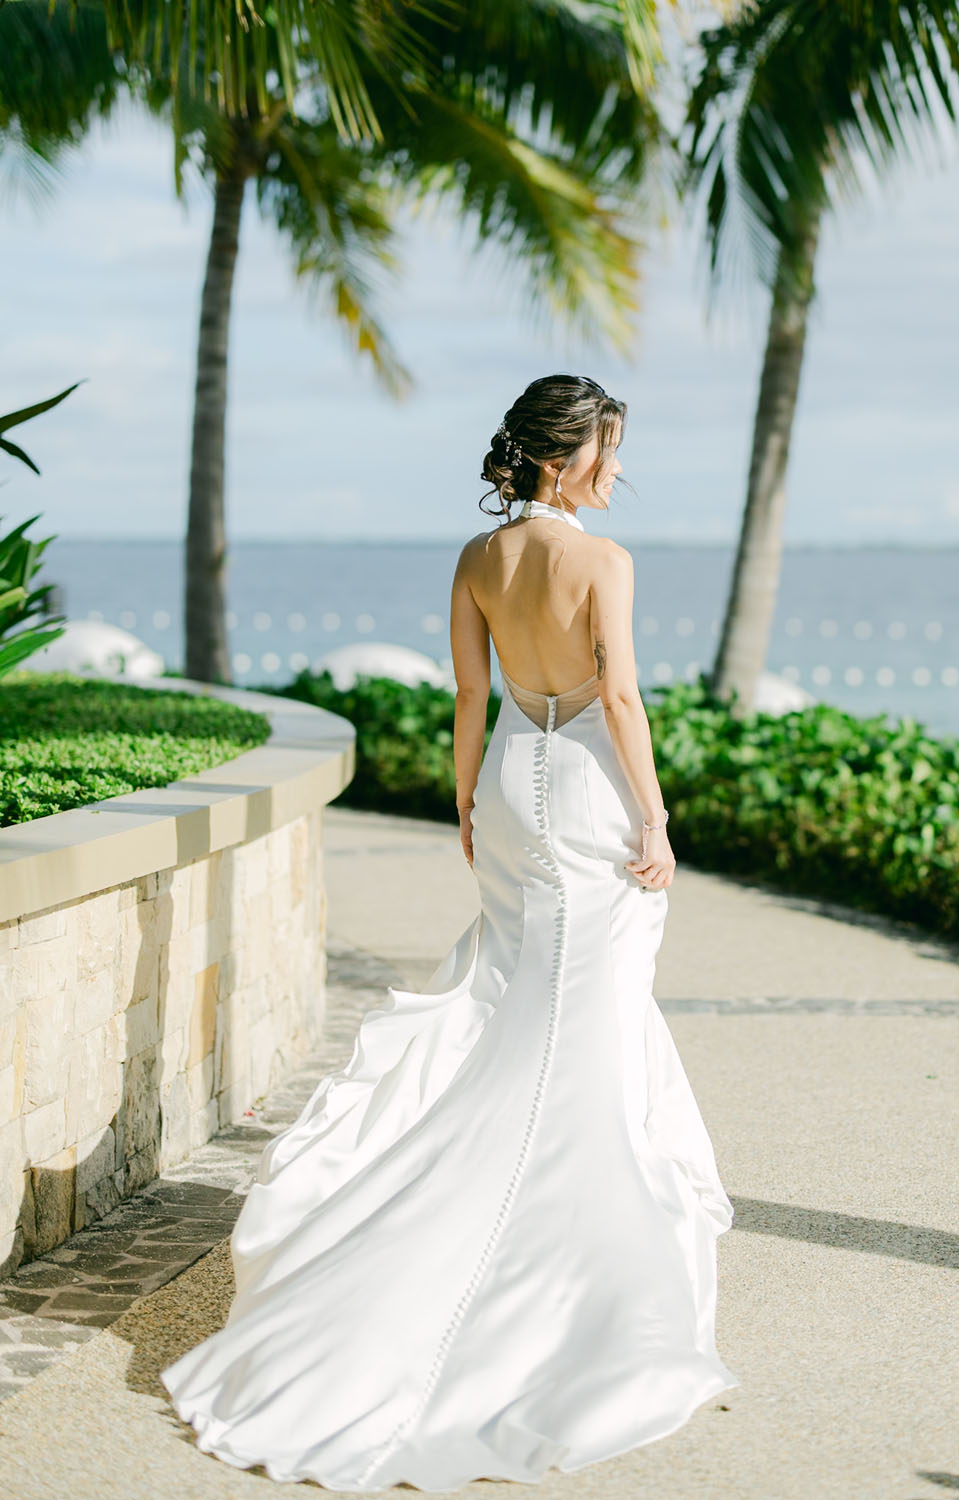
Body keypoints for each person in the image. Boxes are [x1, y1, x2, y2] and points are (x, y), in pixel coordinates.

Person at [160, 373, 739, 1491]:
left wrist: (467, 809)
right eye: (608, 453)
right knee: (584, 1014)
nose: (617, 473)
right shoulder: (602, 565)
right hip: (587, 790)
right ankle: (563, 1255)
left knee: (530, 995)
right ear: (568, 460)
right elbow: (620, 699)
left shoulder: (479, 562)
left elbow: (466, 704)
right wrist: (656, 821)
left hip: (514, 797)